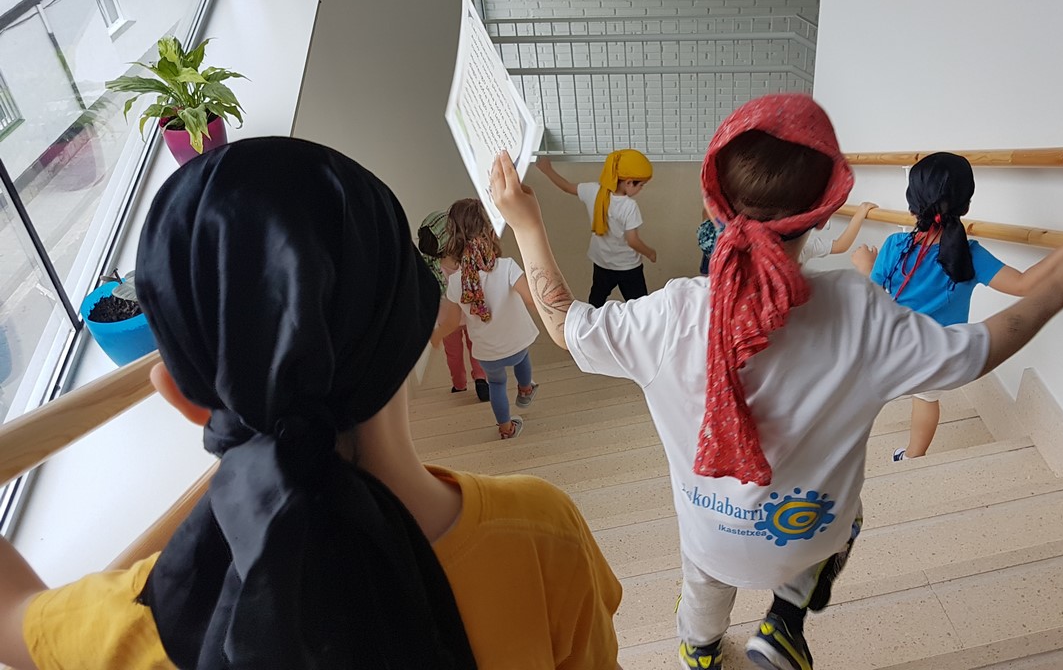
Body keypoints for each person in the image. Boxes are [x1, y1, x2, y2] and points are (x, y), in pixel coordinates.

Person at [490, 94, 1063, 670]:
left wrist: (527, 223)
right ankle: (786, 619)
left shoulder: (670, 315)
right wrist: (1057, 290)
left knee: (702, 588)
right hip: (807, 535)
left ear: (714, 206)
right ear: (823, 215)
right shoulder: (862, 314)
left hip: (711, 538)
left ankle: (700, 649)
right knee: (847, 518)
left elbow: (564, 323)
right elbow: (976, 352)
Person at [0, 138, 623, 670]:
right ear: (419, 328)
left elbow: (11, 620)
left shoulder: (148, 618)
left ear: (183, 401)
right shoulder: (543, 534)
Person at [851, 152, 1063, 461]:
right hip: (938, 360)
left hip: (893, 354)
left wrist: (865, 266)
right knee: (926, 401)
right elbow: (1024, 284)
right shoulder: (970, 254)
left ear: (912, 204)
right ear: (966, 206)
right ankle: (912, 456)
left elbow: (871, 298)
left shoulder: (894, 245)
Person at [429, 199, 540, 440]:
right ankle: (525, 389)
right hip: (516, 344)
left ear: (453, 240)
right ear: (490, 232)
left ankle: (506, 429)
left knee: (497, 385)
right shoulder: (507, 267)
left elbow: (451, 323)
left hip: (488, 354)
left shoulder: (456, 282)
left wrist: (436, 336)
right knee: (522, 356)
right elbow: (532, 300)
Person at [534, 151, 656, 306]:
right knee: (640, 305)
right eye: (641, 185)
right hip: (628, 267)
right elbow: (633, 241)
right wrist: (650, 252)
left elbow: (567, 187)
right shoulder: (629, 206)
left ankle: (590, 320)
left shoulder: (593, 191)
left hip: (602, 263)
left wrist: (547, 170)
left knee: (596, 300)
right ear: (629, 182)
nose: (641, 189)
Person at [419, 211, 489, 401]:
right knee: (476, 347)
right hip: (471, 312)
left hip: (447, 318)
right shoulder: (466, 255)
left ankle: (459, 384)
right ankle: (481, 379)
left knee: (453, 354)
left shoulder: (429, 264)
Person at [699, 200, 879, 272]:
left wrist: (859, 215)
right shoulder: (804, 246)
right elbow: (841, 245)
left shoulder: (742, 245)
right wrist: (859, 215)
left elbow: (840, 245)